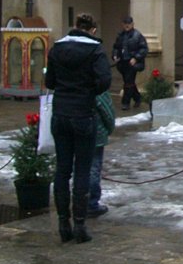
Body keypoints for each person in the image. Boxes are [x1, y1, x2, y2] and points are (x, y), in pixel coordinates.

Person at [45, 13, 111, 244]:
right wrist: (87, 88)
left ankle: (64, 223)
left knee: (62, 169)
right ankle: (80, 225)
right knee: (82, 170)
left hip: (60, 113)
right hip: (83, 114)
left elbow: (49, 82)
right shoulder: (95, 50)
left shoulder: (57, 48)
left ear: (74, 27)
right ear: (92, 29)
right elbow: (105, 82)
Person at [88, 90, 115, 218]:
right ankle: (91, 204)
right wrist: (109, 128)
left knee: (77, 168)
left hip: (71, 130)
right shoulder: (95, 84)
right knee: (93, 168)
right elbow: (106, 111)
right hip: (94, 132)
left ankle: (78, 201)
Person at [112, 16, 148, 110]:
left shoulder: (137, 35)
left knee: (128, 82)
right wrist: (115, 55)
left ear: (132, 24)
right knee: (129, 82)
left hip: (132, 63)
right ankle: (137, 98)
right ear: (123, 25)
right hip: (122, 62)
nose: (127, 25)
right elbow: (116, 47)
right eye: (125, 24)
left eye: (129, 24)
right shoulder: (120, 35)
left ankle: (125, 102)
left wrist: (136, 58)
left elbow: (144, 49)